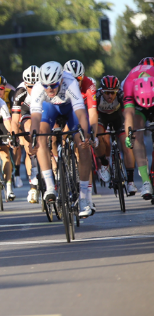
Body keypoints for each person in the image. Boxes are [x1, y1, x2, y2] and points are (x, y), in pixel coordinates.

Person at [27, 61, 94, 218]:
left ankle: (84, 198)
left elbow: (80, 113)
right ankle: (50, 186)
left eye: (53, 85)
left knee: (83, 144)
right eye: (46, 85)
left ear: (61, 80)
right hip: (50, 109)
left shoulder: (70, 82)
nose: (49, 89)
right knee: (40, 138)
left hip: (70, 108)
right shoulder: (38, 88)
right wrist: (33, 139)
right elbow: (35, 119)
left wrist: (85, 133)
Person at [95, 76, 137, 195]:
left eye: (112, 93)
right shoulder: (97, 96)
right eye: (107, 93)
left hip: (118, 117)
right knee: (98, 138)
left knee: (127, 145)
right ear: (102, 91)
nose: (110, 96)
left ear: (117, 91)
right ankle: (104, 164)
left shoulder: (121, 95)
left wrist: (130, 133)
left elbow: (128, 114)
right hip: (102, 118)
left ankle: (130, 182)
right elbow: (91, 115)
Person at [64, 59, 98, 206]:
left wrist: (93, 136)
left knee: (84, 147)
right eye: (72, 79)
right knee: (58, 136)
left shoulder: (89, 85)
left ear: (83, 76)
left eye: (78, 79)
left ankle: (88, 197)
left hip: (81, 112)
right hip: (65, 111)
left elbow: (92, 113)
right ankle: (59, 165)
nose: (75, 82)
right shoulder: (62, 83)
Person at [124, 58, 154, 199]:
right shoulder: (129, 82)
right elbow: (128, 113)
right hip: (137, 105)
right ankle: (145, 181)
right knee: (136, 135)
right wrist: (128, 135)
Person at [12, 65, 40, 204]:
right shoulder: (20, 91)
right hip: (27, 111)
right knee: (28, 132)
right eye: (30, 86)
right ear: (25, 84)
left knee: (51, 137)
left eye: (36, 86)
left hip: (43, 110)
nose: (33, 89)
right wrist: (14, 136)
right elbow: (14, 120)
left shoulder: (47, 89)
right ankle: (33, 186)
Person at [0, 75, 22, 187]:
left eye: (1, 88)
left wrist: (14, 134)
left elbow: (18, 113)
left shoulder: (10, 94)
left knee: (16, 139)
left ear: (5, 87)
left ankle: (17, 172)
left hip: (10, 119)